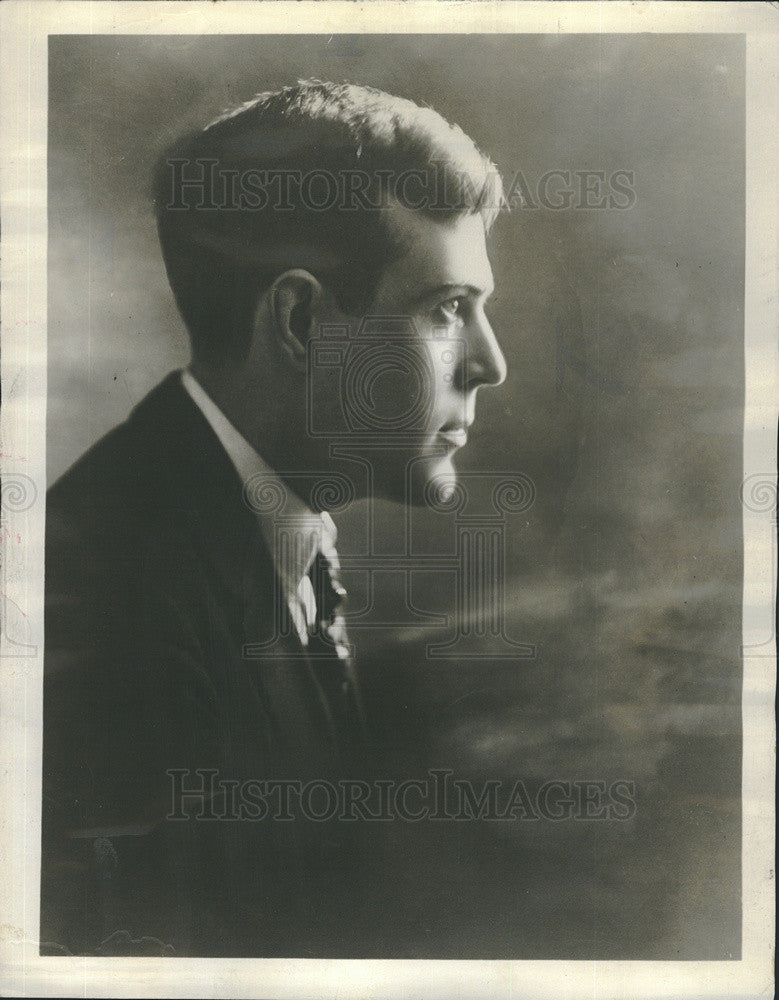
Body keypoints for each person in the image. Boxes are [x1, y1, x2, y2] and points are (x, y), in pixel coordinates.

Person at [41, 80, 507, 957]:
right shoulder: (113, 597)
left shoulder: (258, 527)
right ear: (300, 322)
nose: (490, 363)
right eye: (446, 309)